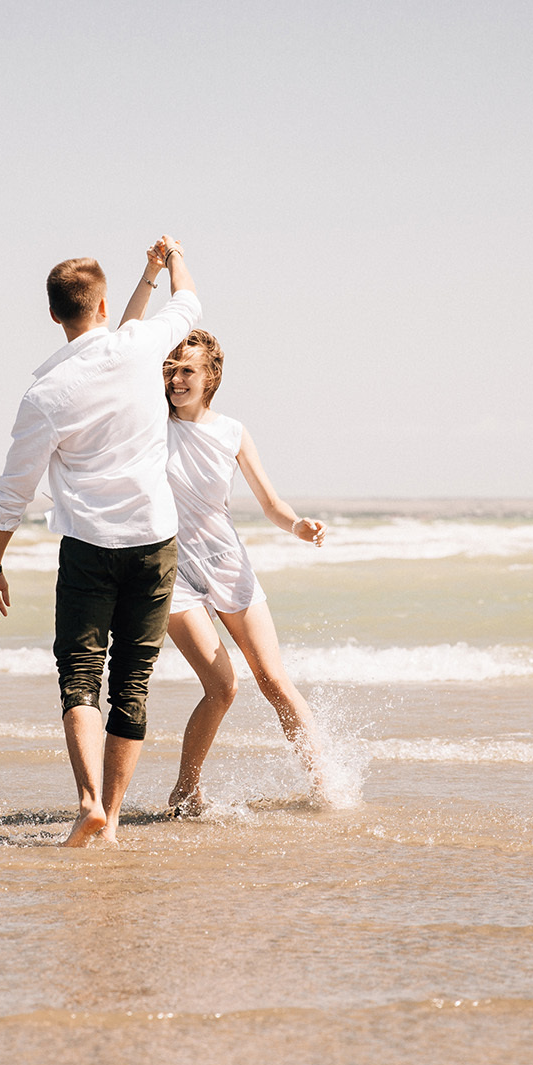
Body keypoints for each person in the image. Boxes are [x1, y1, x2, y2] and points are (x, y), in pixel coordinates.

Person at [0, 238, 198, 846]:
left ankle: (89, 802)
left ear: (54, 315)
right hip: (155, 541)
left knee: (80, 675)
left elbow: (11, 492)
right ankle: (116, 816)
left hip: (89, 547)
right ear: (102, 305)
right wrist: (167, 261)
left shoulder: (45, 396)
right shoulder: (139, 345)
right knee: (133, 678)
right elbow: (189, 304)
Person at [115, 279, 330, 813]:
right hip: (173, 573)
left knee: (274, 680)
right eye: (170, 369)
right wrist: (156, 273)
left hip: (228, 564)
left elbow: (272, 504)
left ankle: (327, 785)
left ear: (211, 375)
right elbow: (124, 339)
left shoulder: (233, 431)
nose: (175, 378)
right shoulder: (150, 422)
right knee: (223, 686)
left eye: (186, 369)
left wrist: (298, 526)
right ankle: (185, 791)